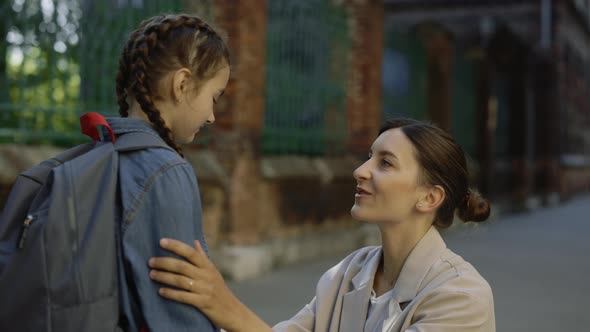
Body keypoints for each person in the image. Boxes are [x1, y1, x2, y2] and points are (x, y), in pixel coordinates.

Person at [148, 118, 496, 331]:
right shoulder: (349, 273)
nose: (360, 170)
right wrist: (208, 303)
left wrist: (227, 307)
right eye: (368, 156)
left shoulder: (461, 297)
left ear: (429, 198)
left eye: (385, 163)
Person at [111, 13, 230, 331]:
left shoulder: (103, 151)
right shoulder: (166, 171)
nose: (212, 117)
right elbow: (181, 307)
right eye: (213, 98)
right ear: (182, 84)